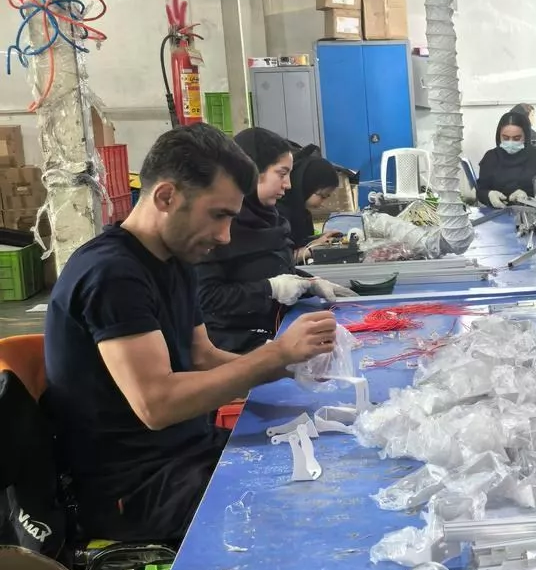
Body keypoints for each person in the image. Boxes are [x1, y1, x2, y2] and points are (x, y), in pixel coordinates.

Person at [45, 126, 340, 543]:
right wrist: (274, 355)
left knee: (327, 462)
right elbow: (157, 404)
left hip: (186, 452)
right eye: (218, 215)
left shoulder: (174, 259)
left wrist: (294, 367)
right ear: (166, 197)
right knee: (307, 519)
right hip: (136, 487)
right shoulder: (112, 274)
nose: (224, 236)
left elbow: (202, 356)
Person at [198, 127, 346, 354]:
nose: (288, 184)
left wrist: (309, 284)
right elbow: (206, 298)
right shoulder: (218, 226)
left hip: (274, 331)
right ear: (252, 171)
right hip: (233, 348)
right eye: (281, 174)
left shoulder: (271, 219)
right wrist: (269, 289)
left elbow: (278, 269)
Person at [477, 109, 536, 208]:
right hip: (497, 213)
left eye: (516, 138)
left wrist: (529, 197)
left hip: (531, 212)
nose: (511, 142)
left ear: (526, 136)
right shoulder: (490, 158)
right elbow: (480, 191)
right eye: (505, 138)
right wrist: (489, 195)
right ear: (499, 136)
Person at [284, 144, 343, 256]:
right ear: (307, 187)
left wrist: (320, 239)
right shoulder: (280, 214)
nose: (323, 202)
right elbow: (280, 260)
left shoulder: (301, 213)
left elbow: (299, 242)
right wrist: (313, 249)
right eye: (323, 196)